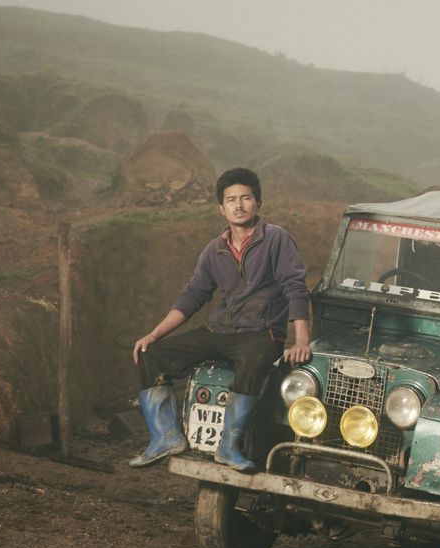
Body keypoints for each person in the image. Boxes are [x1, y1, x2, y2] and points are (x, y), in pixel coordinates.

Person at [130, 167, 313, 472]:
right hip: (219, 331)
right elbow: (192, 297)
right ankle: (165, 438)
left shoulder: (276, 239)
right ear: (221, 208)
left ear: (258, 203)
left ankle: (229, 446)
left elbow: (295, 288)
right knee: (153, 356)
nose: (239, 205)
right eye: (231, 200)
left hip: (260, 333)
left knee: (254, 360)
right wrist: (153, 334)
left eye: (245, 198)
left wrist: (301, 340)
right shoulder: (214, 250)